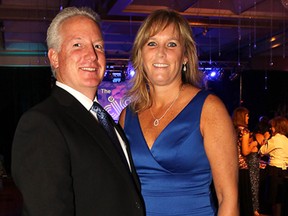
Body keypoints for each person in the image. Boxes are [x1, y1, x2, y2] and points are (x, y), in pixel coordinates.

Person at [11, 7, 145, 216]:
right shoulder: (42, 124)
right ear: (54, 58)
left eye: (98, 46)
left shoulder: (103, 118)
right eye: (77, 45)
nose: (91, 55)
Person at [119, 9, 239, 216]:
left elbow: (228, 199)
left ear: (185, 56)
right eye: (152, 43)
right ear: (140, 54)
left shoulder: (209, 108)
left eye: (171, 44)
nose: (161, 52)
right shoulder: (127, 115)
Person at [259, 116, 288, 216]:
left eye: (272, 126)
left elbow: (262, 151)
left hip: (274, 170)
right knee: (280, 199)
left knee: (273, 199)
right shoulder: (286, 140)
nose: (271, 129)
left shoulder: (275, 139)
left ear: (277, 127)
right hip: (284, 171)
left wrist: (266, 139)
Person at [232, 106, 257, 216]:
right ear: (242, 117)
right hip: (242, 167)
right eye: (247, 116)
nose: (248, 118)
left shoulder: (232, 130)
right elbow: (245, 151)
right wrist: (254, 144)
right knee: (244, 198)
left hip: (232, 167)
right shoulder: (245, 131)